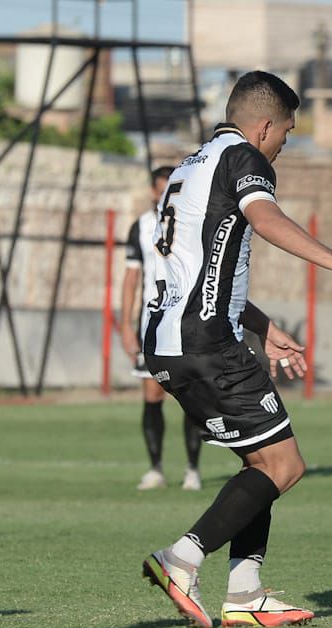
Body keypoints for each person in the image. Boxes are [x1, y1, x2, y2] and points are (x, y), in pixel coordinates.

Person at [139, 71, 332, 628]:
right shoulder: (246, 160)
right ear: (264, 125)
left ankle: (245, 593)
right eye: (286, 130)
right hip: (207, 342)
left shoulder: (189, 166)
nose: (285, 141)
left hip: (169, 340)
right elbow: (265, 219)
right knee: (284, 464)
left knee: (257, 464)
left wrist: (259, 324)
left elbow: (197, 265)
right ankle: (181, 559)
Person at [122, 166, 205, 491]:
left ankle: (192, 470)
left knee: (190, 397)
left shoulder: (194, 222)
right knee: (152, 394)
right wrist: (126, 325)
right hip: (151, 324)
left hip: (187, 323)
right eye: (159, 190)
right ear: (154, 192)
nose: (163, 196)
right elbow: (131, 279)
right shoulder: (141, 227)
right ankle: (155, 468)